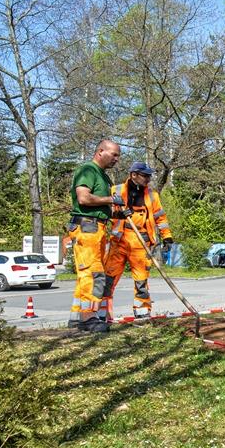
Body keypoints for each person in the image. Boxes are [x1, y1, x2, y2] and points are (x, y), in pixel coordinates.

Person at [102, 162, 173, 319]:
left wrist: (166, 236)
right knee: (108, 278)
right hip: (119, 241)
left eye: (149, 175)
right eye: (145, 175)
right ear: (134, 175)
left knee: (141, 280)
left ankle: (142, 311)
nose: (148, 178)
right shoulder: (116, 191)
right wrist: (119, 214)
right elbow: (106, 213)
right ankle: (102, 313)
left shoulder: (152, 196)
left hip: (141, 242)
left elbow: (160, 217)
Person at [67, 139, 122, 332]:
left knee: (88, 273)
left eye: (118, 156)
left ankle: (77, 317)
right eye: (114, 154)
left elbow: (99, 207)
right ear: (100, 151)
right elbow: (84, 198)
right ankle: (88, 318)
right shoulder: (87, 170)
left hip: (97, 226)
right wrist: (110, 199)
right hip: (86, 227)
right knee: (93, 272)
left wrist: (117, 213)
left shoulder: (103, 176)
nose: (117, 159)